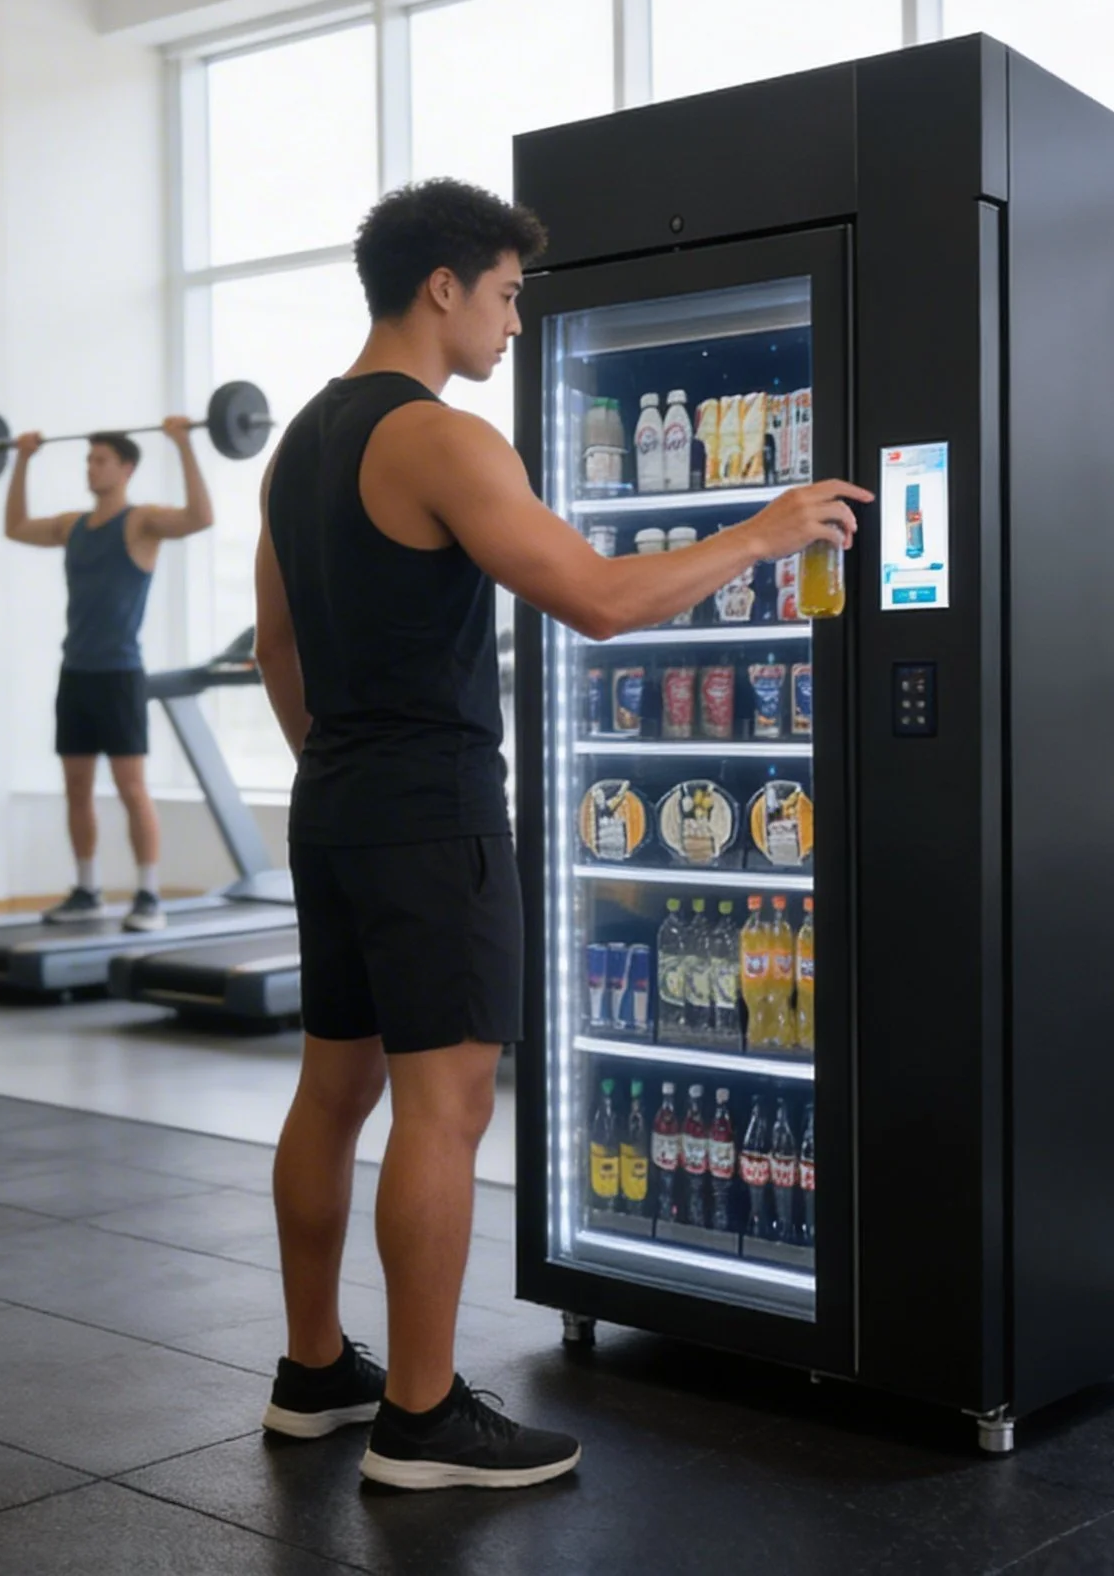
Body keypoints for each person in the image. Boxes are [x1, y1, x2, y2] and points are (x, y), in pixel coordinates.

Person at [253, 178, 869, 1490]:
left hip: (339, 797)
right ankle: (421, 1418)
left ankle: (317, 1372)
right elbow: (594, 597)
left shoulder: (299, 442)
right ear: (444, 288)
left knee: (334, 1088)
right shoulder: (441, 437)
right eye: (509, 294)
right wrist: (762, 530)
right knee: (447, 1100)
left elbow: (277, 646)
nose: (516, 324)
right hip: (428, 810)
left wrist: (349, 773)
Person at [4, 418, 212, 933]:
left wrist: (184, 444)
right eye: (88, 459)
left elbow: (200, 517)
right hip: (75, 672)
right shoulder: (72, 525)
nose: (91, 467)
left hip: (120, 673)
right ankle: (88, 888)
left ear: (126, 468)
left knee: (130, 787)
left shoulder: (141, 523)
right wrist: (22, 459)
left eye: (100, 460)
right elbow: (15, 527)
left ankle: (148, 895)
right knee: (76, 786)